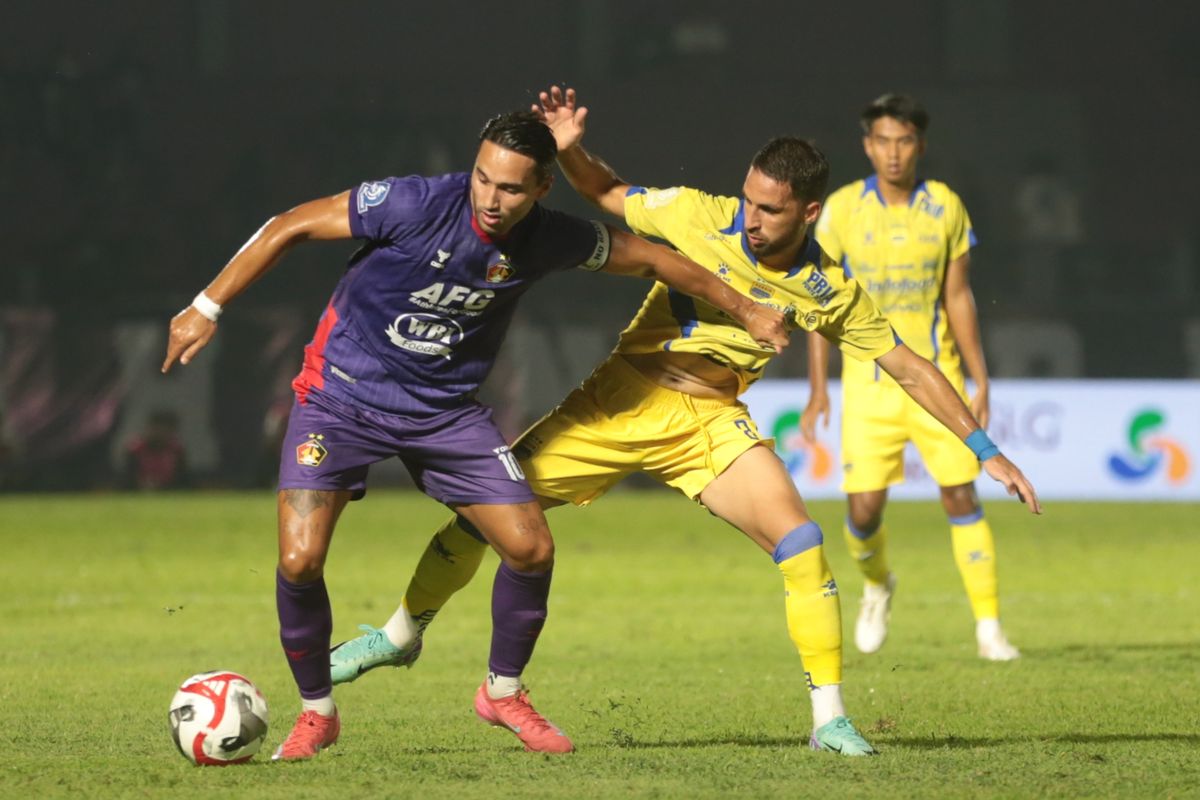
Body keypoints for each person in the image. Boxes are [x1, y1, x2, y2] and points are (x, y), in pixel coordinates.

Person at [329, 86, 1042, 758]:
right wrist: (572, 148)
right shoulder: (698, 215)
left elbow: (911, 365)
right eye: (750, 200)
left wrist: (985, 448)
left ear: (810, 212)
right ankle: (399, 634)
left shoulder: (829, 291)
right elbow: (607, 193)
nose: (751, 218)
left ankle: (829, 720)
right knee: (481, 521)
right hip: (619, 401)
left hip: (708, 424)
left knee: (802, 543)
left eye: (770, 210)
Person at [161, 110, 790, 761]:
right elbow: (290, 224)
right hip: (340, 398)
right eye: (484, 179)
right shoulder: (412, 202)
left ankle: (502, 692)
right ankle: (318, 713)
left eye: (512, 188)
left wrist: (747, 309)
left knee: (531, 548)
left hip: (444, 415)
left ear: (543, 188)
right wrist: (205, 307)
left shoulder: (549, 238)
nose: (491, 198)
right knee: (299, 560)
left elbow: (654, 258)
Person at [802, 93, 1019, 661]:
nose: (893, 153)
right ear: (867, 146)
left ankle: (989, 628)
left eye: (904, 142)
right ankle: (877, 585)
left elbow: (959, 295)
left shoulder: (945, 206)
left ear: (919, 146)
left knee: (959, 492)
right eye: (882, 141)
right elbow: (817, 299)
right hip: (868, 384)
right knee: (863, 511)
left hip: (937, 377)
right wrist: (818, 387)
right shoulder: (843, 209)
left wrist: (981, 378)